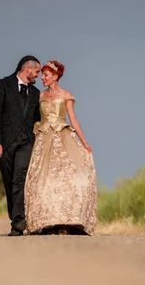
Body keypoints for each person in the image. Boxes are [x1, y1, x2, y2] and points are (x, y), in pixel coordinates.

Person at [24, 60, 97, 235]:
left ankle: (69, 221)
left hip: (62, 138)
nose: (42, 77)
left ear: (55, 76)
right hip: (43, 139)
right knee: (42, 180)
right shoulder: (39, 96)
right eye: (42, 74)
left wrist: (85, 142)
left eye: (46, 75)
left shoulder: (66, 95)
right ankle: (48, 221)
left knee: (67, 178)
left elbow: (74, 120)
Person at [0, 55, 42, 236]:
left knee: (19, 179)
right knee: (9, 181)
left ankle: (18, 225)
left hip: (26, 142)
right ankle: (15, 216)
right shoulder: (2, 85)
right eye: (37, 71)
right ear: (27, 69)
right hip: (5, 143)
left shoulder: (35, 93)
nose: (38, 75)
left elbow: (38, 118)